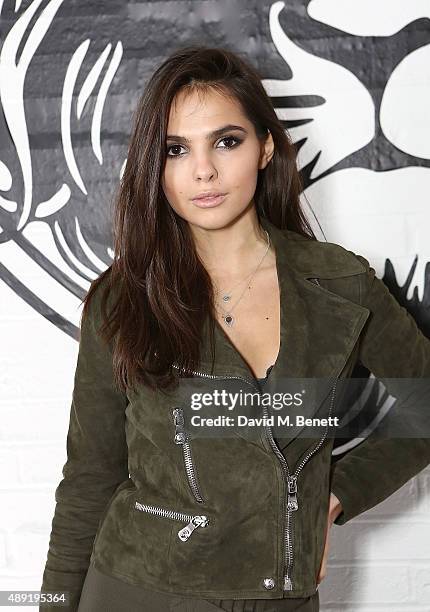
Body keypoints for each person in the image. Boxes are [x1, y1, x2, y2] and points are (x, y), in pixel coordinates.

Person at [40, 46, 430, 612]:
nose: (203, 170)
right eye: (177, 149)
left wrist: (335, 494)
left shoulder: (340, 283)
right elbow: (89, 477)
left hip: (279, 597)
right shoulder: (125, 298)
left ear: (266, 146)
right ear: (157, 165)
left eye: (226, 141)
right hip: (136, 591)